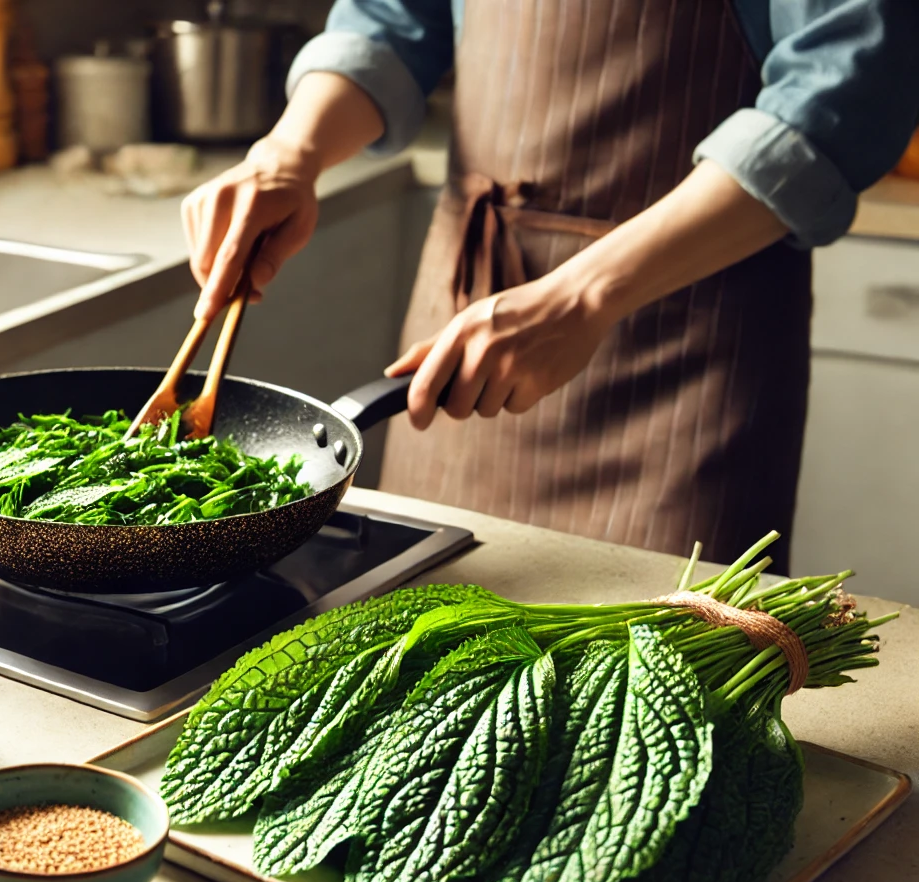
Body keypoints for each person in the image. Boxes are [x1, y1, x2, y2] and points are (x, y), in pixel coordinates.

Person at [183, 0, 919, 565]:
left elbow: (847, 91)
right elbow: (389, 20)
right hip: (463, 313)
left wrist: (585, 294)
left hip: (687, 328)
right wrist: (288, 152)